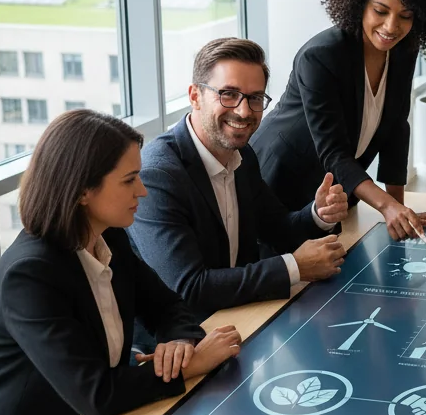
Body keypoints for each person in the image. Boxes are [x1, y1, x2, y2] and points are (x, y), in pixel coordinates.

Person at [0, 110, 242, 415]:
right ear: (83, 190)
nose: (143, 191)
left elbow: (168, 306)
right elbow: (96, 394)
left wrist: (181, 345)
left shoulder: (109, 236)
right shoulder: (30, 273)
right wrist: (192, 366)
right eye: (130, 180)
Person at [250, 0, 426, 241]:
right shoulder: (320, 56)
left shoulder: (402, 51)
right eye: (380, 11)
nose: (391, 26)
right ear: (360, 2)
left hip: (336, 191)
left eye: (405, 16)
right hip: (281, 182)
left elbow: (396, 129)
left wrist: (399, 209)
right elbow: (333, 151)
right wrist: (386, 207)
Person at [129, 38, 349, 321]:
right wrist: (294, 267)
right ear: (195, 96)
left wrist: (320, 214)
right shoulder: (157, 175)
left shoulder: (242, 155)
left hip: (241, 316)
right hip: (181, 341)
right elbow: (188, 288)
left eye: (255, 98)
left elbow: (278, 228)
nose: (244, 111)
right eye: (229, 94)